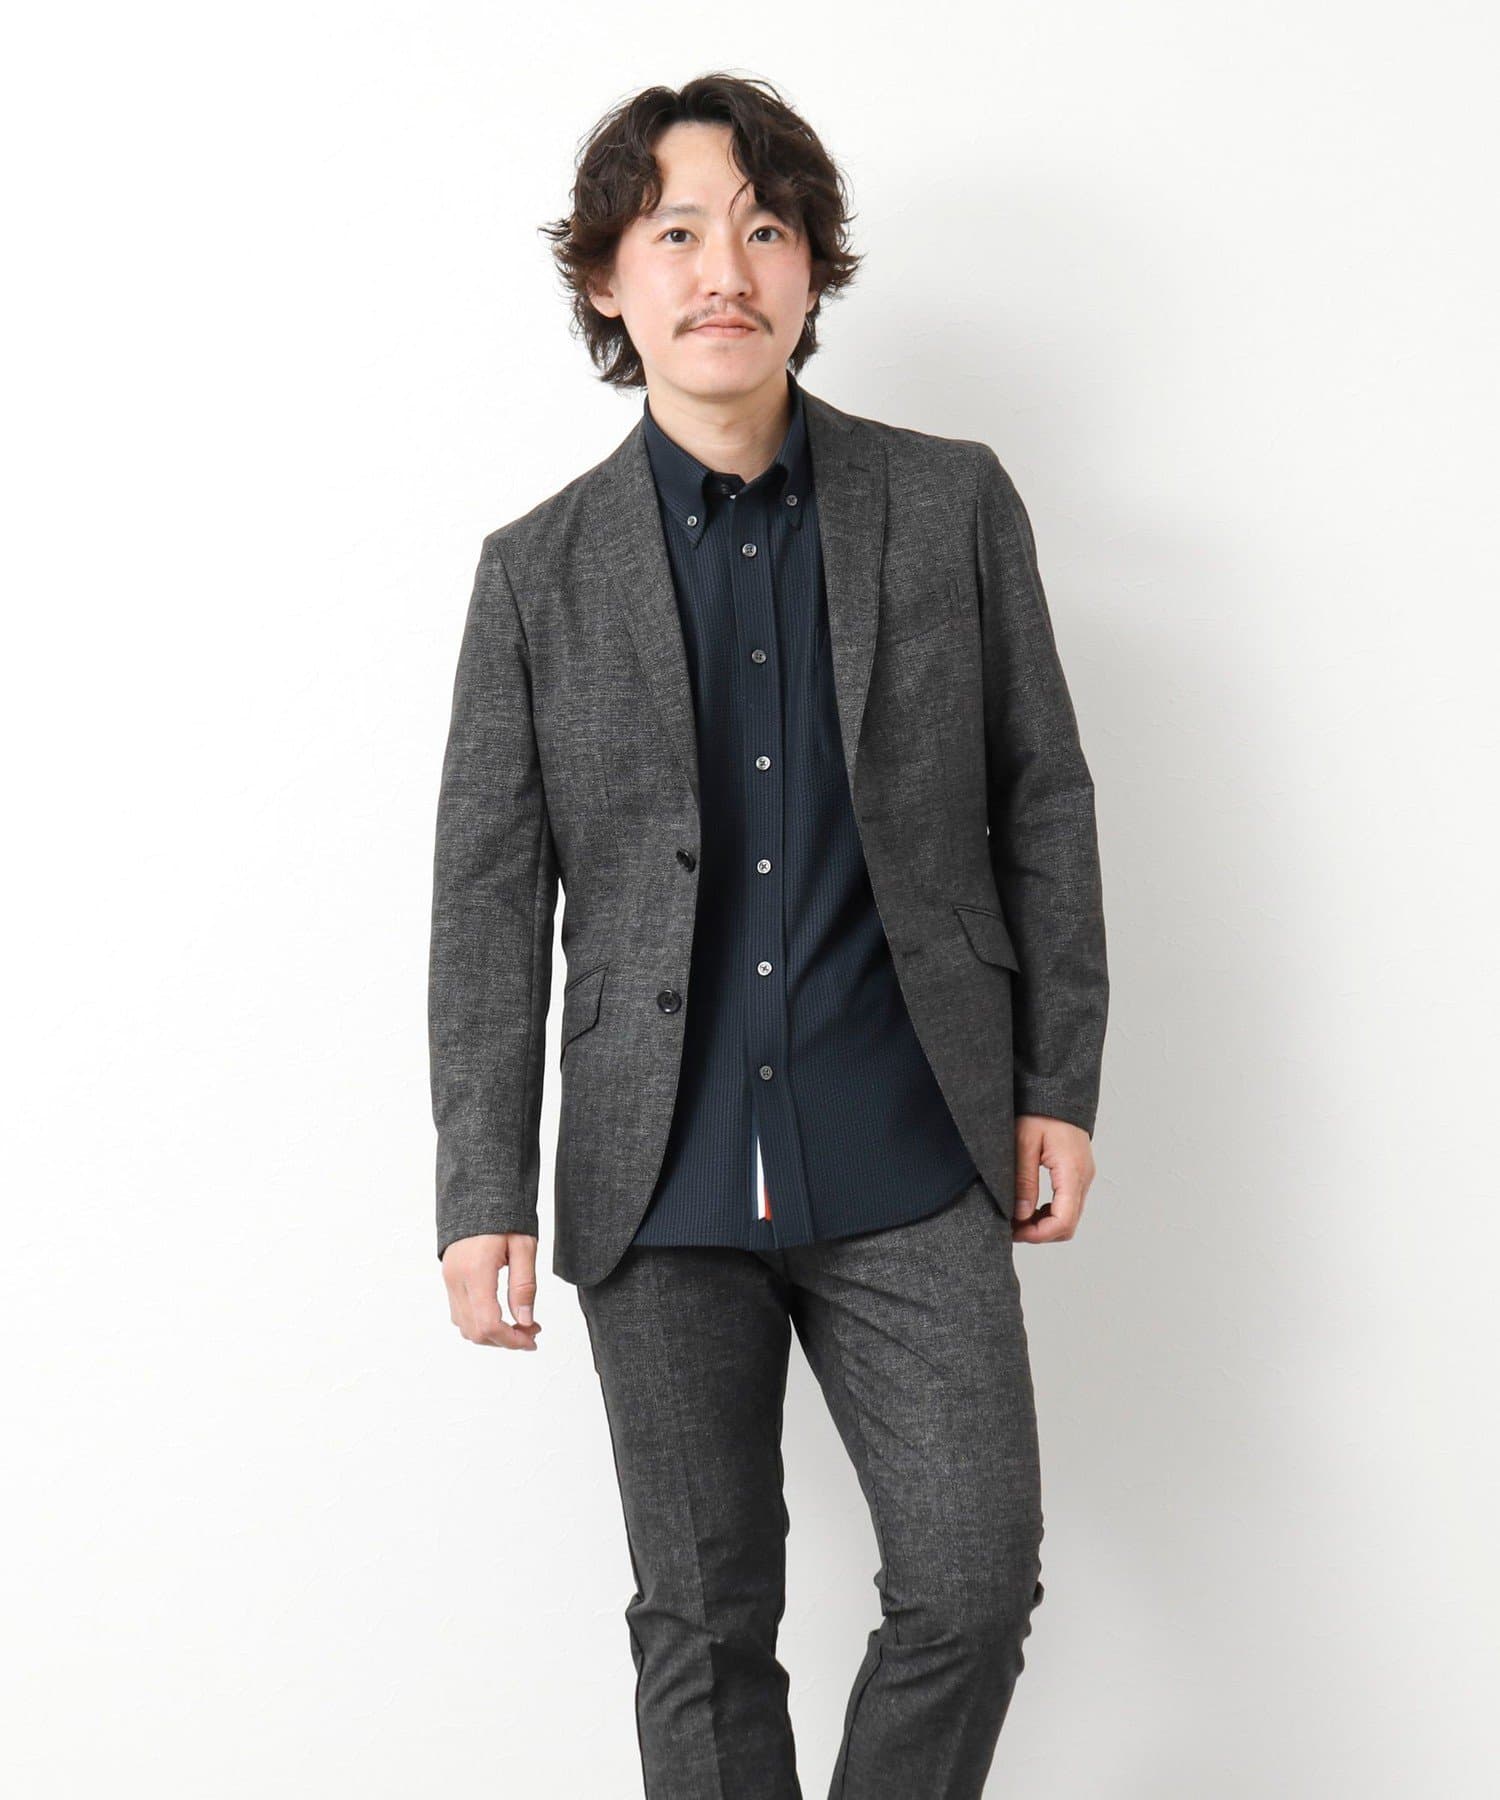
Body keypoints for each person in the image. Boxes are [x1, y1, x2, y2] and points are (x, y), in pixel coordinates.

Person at [429, 71, 1109, 1800]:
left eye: (765, 228)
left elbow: (1041, 799)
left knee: (972, 1584)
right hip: (654, 1181)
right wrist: (482, 1183)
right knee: (704, 1625)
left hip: (911, 1144)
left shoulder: (949, 505)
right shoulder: (535, 574)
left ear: (811, 267)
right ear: (610, 279)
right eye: (676, 233)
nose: (723, 269)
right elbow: (488, 901)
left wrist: (1058, 1081)